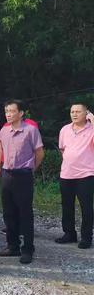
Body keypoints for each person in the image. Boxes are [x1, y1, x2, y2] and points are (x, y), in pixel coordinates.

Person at [0, 100, 44, 263]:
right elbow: (0, 151)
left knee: (25, 213)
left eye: (11, 111)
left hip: (24, 175)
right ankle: (12, 246)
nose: (8, 114)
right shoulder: (3, 130)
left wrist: (32, 169)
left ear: (21, 113)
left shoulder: (30, 130)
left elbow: (39, 152)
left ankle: (28, 249)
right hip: (7, 174)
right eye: (6, 111)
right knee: (8, 212)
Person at [56, 103, 94, 249]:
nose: (74, 114)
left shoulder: (91, 129)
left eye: (78, 111)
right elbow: (62, 150)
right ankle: (69, 233)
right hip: (67, 173)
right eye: (72, 111)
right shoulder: (65, 130)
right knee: (67, 205)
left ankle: (86, 237)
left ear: (86, 113)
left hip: (86, 174)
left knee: (86, 207)